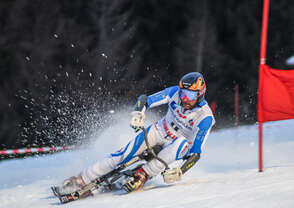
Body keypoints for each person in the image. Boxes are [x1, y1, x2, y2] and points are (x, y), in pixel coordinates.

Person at [62, 72, 215, 194]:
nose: (185, 99)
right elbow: (145, 99)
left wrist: (180, 171)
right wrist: (138, 113)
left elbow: (196, 152)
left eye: (191, 95)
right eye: (183, 93)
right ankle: (83, 178)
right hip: (160, 130)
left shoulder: (205, 117)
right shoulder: (174, 92)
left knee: (182, 143)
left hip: (177, 145)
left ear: (200, 94)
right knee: (124, 154)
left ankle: (144, 173)